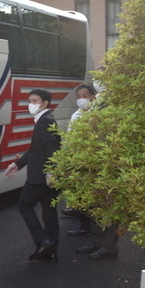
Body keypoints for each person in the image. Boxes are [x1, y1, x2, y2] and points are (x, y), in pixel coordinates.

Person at [6, 88, 61, 262]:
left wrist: (51, 172)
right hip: (46, 176)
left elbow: (53, 148)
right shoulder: (44, 120)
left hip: (41, 176)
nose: (31, 104)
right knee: (49, 212)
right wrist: (17, 164)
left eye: (35, 101)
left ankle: (43, 241)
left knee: (25, 205)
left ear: (45, 103)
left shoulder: (45, 121)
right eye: (30, 100)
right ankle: (50, 251)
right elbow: (35, 150)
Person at [65, 84, 97, 237]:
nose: (81, 100)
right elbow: (69, 139)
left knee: (95, 197)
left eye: (84, 96)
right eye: (78, 97)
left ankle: (98, 232)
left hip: (95, 162)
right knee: (82, 194)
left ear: (93, 96)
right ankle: (85, 226)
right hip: (79, 161)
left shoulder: (98, 114)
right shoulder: (76, 116)